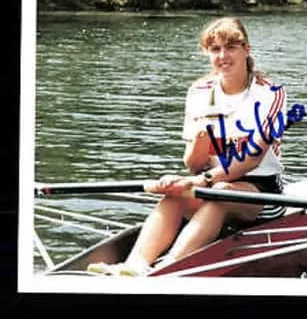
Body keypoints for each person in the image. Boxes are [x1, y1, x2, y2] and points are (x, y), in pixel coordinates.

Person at [87, 17, 288, 276]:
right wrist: (199, 146)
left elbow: (252, 159)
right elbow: (193, 164)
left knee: (220, 193)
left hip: (262, 193)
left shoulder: (271, 93)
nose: (223, 56)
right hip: (212, 183)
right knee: (175, 195)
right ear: (207, 53)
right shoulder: (199, 91)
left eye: (231, 47)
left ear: (246, 50)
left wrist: (201, 181)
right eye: (215, 49)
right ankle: (134, 265)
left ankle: (167, 268)